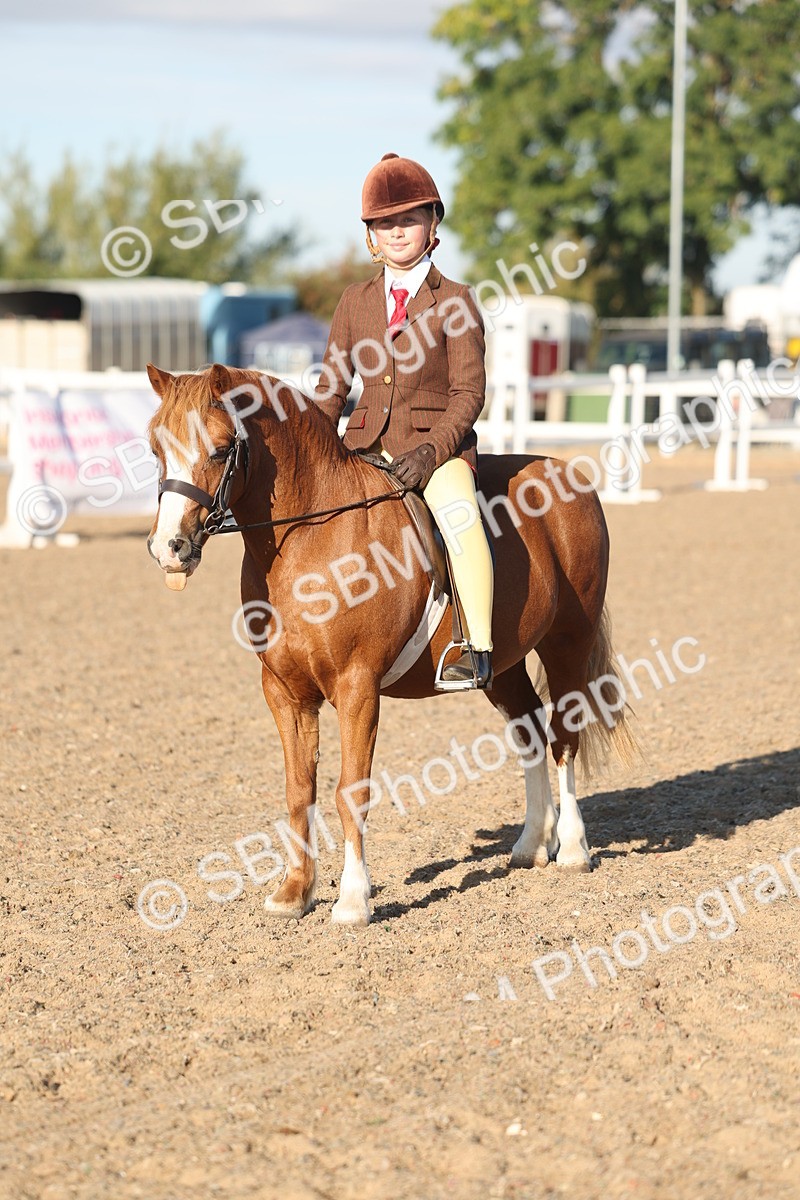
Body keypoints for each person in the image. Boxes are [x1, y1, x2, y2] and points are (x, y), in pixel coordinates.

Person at [313, 152, 494, 690]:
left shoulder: (456, 301)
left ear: (431, 223)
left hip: (434, 450)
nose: (397, 231)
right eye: (385, 222)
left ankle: (477, 646)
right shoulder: (354, 301)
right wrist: (315, 447)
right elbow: (331, 388)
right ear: (371, 233)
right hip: (364, 446)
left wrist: (433, 453)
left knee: (461, 519)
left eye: (408, 219)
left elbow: (469, 392)